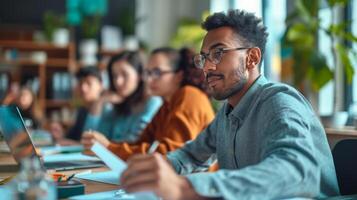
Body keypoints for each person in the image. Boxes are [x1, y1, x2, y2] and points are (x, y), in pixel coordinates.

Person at [119, 10, 340, 199]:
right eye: (204, 58)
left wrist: (186, 188)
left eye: (218, 53)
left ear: (252, 58)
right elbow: (191, 155)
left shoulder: (279, 102)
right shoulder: (227, 113)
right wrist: (158, 169)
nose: (207, 68)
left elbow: (296, 170)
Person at [81, 47, 215, 160]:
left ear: (178, 75)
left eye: (157, 72)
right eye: (148, 72)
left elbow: (172, 153)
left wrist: (109, 148)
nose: (149, 79)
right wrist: (108, 147)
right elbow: (142, 143)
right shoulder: (166, 105)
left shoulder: (189, 94)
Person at [81, 51, 162, 143]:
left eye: (125, 74)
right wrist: (98, 103)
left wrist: (108, 145)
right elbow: (89, 139)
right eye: (115, 76)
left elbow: (137, 143)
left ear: (140, 75)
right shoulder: (117, 106)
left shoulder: (153, 102)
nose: (118, 82)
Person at [49, 66, 105, 144]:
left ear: (101, 85)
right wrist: (61, 135)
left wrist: (72, 143)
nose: (83, 88)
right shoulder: (82, 109)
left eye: (88, 83)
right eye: (80, 83)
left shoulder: (108, 111)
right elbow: (74, 137)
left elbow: (99, 146)